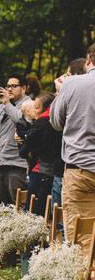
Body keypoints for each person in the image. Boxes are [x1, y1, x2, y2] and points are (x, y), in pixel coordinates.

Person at [50, 43, 95, 251]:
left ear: (88, 60)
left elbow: (56, 123)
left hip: (79, 170)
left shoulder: (73, 84)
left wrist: (61, 92)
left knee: (79, 239)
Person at [0, 75, 31, 205]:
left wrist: (6, 103)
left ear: (24, 88)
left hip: (16, 166)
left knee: (17, 207)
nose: (9, 89)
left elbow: (21, 120)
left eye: (13, 86)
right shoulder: (1, 106)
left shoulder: (29, 104)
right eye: (8, 86)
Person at [19, 93, 59, 216]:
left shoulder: (41, 123)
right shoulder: (60, 121)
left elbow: (23, 152)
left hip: (39, 171)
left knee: (33, 211)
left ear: (45, 108)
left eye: (36, 107)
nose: (34, 111)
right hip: (56, 173)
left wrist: (23, 141)